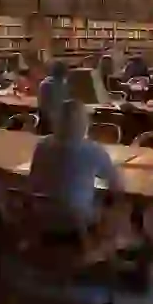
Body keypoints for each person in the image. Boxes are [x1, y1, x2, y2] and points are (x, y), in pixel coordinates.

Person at [28, 99, 121, 237]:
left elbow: (33, 180)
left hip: (42, 214)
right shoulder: (93, 150)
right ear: (85, 124)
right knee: (112, 207)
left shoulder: (42, 146)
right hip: (77, 218)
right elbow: (117, 185)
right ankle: (106, 248)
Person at [37, 61, 69, 134]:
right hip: (58, 121)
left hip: (47, 121)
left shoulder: (44, 84)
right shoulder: (65, 84)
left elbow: (42, 105)